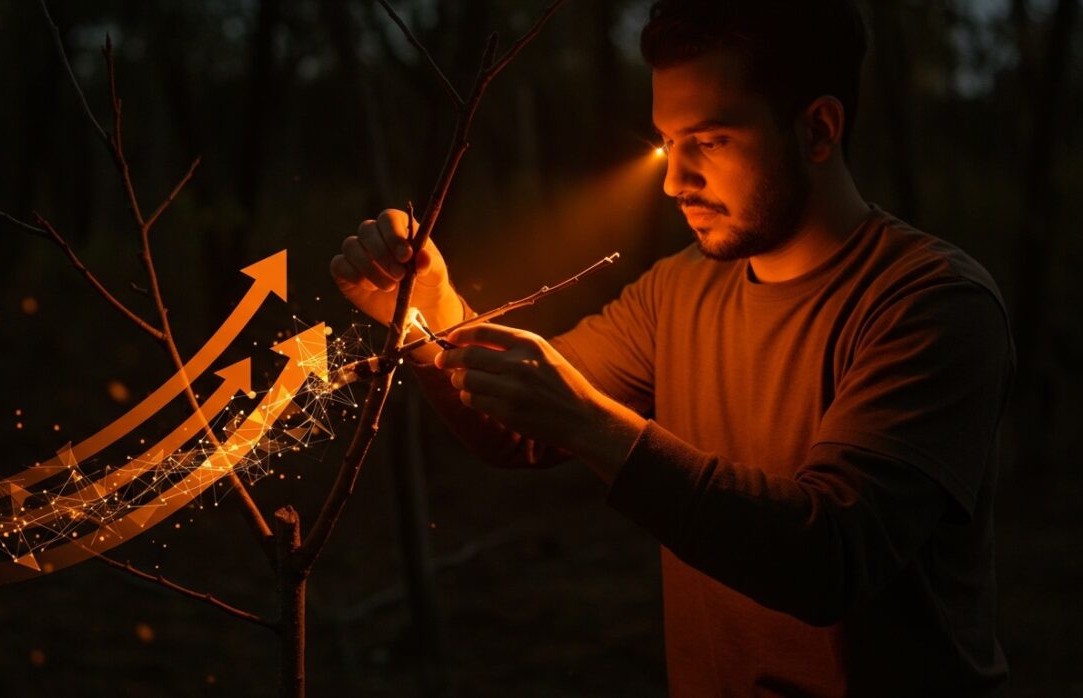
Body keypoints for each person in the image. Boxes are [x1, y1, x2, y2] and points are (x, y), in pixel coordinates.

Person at [330, 0, 1014, 694]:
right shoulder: (678, 290)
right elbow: (516, 430)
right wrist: (429, 312)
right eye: (667, 140)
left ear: (818, 129)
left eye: (710, 141)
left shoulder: (931, 305)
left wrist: (592, 424)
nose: (674, 181)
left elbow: (829, 558)